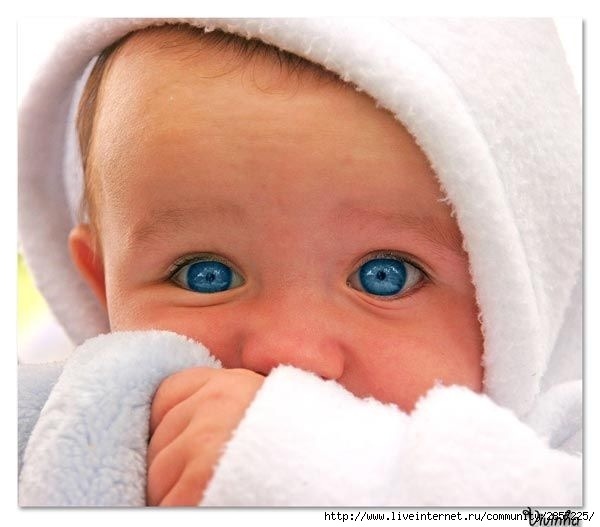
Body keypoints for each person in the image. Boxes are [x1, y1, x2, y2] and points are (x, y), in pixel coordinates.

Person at [18, 18, 582, 507]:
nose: (287, 353)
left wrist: (316, 469)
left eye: (384, 277)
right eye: (205, 275)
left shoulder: (562, 452)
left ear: (518, 304)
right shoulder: (68, 425)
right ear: (101, 288)